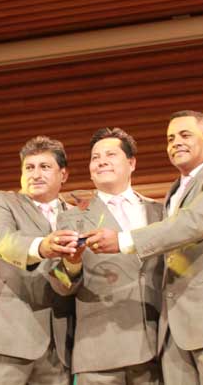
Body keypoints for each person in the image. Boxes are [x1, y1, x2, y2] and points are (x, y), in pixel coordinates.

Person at [86, 110, 203, 385]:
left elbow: (193, 222)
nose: (176, 142)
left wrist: (123, 240)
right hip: (173, 331)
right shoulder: (173, 193)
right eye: (170, 138)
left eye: (185, 135)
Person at [50, 127, 163, 385]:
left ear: (132, 163)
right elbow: (58, 282)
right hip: (100, 351)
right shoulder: (71, 218)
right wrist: (71, 264)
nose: (101, 161)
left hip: (158, 350)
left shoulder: (160, 212)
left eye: (111, 155)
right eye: (95, 157)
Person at [0, 136, 78, 385]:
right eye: (29, 167)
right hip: (5, 339)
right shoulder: (0, 202)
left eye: (44, 167)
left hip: (58, 348)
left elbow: (70, 275)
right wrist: (42, 247)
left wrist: (73, 267)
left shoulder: (77, 216)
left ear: (63, 174)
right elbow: (0, 239)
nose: (35, 174)